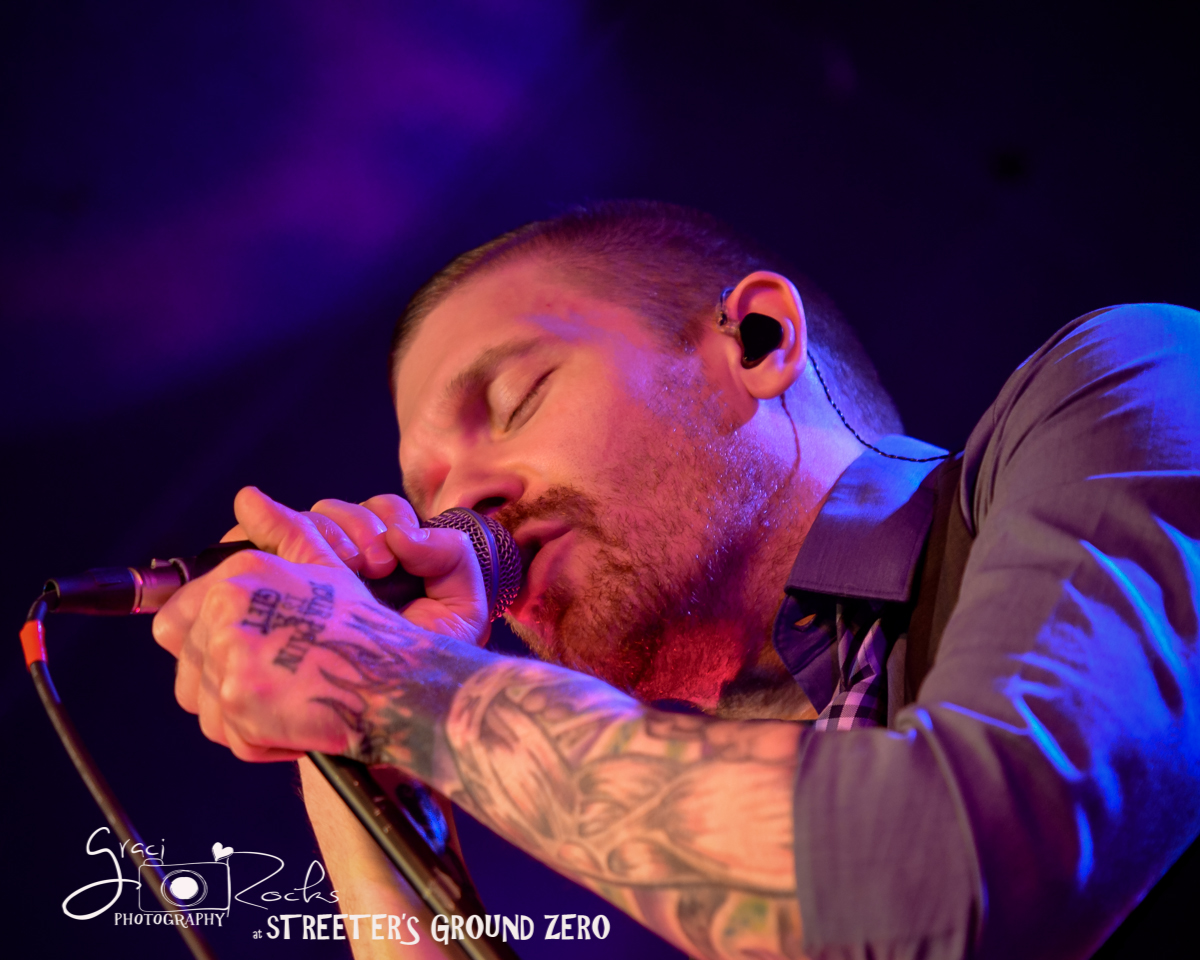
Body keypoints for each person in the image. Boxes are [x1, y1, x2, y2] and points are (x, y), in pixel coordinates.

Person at [152, 201, 1200, 960]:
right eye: (430, 499)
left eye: (516, 401)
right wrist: (368, 775)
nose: (464, 506)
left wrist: (396, 683)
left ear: (759, 339)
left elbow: (964, 875)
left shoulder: (1131, 379)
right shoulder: (723, 878)